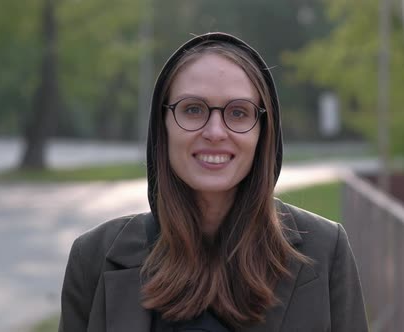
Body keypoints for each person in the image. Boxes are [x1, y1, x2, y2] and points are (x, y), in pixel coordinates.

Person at [59, 32, 368, 332]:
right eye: (193, 109)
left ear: (264, 132)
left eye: (238, 112)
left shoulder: (326, 250)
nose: (216, 132)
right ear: (162, 126)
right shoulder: (94, 257)